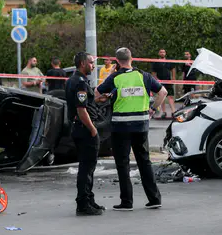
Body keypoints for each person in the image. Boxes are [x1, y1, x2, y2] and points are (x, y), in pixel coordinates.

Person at [96, 47, 166, 211]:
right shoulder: (144, 76)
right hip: (141, 125)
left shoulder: (115, 77)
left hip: (121, 127)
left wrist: (110, 76)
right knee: (144, 161)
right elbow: (163, 92)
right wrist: (152, 109)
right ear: (131, 58)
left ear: (117, 61)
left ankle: (127, 202)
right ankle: (154, 199)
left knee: (123, 163)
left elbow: (97, 93)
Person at [64, 52, 106, 216]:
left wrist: (97, 100)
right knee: (86, 169)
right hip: (84, 129)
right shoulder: (80, 83)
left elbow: (83, 104)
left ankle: (89, 200)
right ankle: (83, 204)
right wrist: (93, 129)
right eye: (91, 63)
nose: (93, 66)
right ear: (82, 63)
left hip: (79, 128)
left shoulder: (73, 80)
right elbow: (81, 111)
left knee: (88, 168)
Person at [151, 49, 176, 119]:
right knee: (162, 98)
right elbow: (153, 73)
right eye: (161, 52)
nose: (162, 53)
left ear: (165, 53)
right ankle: (164, 112)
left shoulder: (169, 61)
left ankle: (173, 112)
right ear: (159, 53)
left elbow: (173, 69)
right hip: (160, 82)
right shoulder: (156, 62)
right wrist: (156, 80)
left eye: (163, 52)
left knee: (170, 96)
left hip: (168, 81)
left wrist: (173, 79)